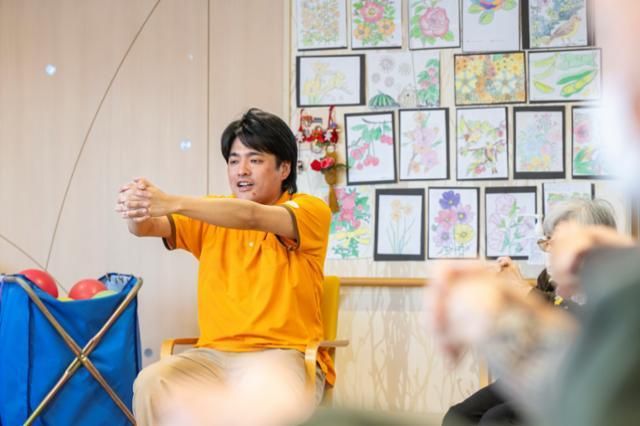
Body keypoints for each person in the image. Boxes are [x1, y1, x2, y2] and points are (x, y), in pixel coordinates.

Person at [115, 108, 333, 425]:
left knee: (263, 398)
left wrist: (171, 201)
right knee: (152, 382)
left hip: (283, 356)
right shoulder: (212, 214)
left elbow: (251, 216)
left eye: (254, 160)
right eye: (233, 161)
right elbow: (146, 227)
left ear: (284, 168)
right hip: (212, 357)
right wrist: (137, 206)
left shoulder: (309, 210)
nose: (241, 170)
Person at [441, 199, 618, 426]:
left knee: (496, 419)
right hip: (542, 375)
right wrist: (503, 295)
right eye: (548, 241)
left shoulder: (613, 283)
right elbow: (532, 336)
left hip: (584, 385)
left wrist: (523, 291)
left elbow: (577, 327)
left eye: (560, 242)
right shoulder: (550, 277)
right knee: (459, 416)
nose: (551, 250)